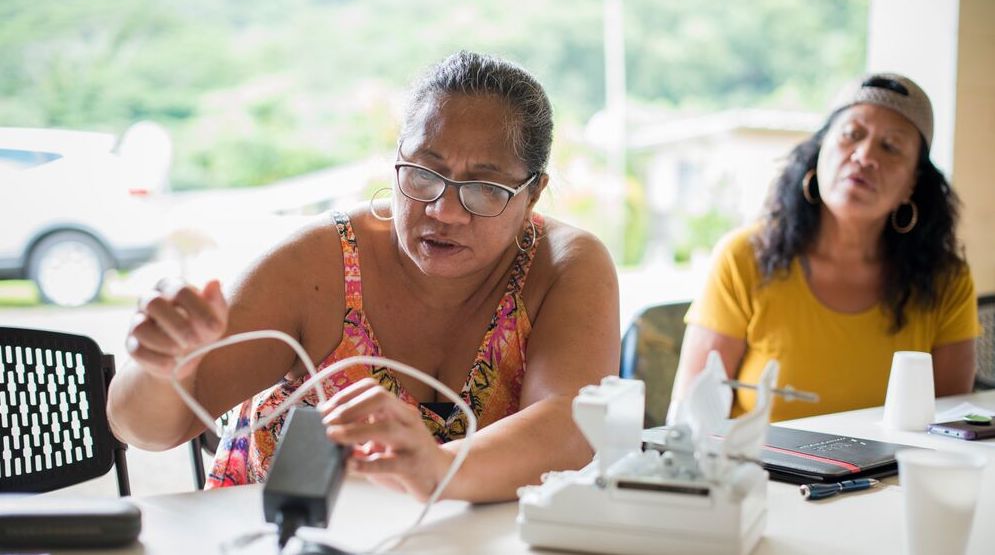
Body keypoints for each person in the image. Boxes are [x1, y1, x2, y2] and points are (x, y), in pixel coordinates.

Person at [107, 51, 620, 502]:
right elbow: (150, 431)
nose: (444, 211)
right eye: (424, 173)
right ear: (397, 161)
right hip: (279, 536)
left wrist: (437, 467)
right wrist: (157, 366)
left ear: (533, 193)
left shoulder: (565, 266)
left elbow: (570, 426)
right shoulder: (320, 262)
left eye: (484, 187)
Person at [671, 73, 980, 422]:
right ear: (819, 150)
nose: (864, 156)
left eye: (890, 146)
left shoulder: (946, 279)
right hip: (755, 473)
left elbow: (952, 429)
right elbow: (688, 421)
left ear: (913, 183)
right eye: (852, 135)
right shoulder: (744, 256)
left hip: (893, 476)